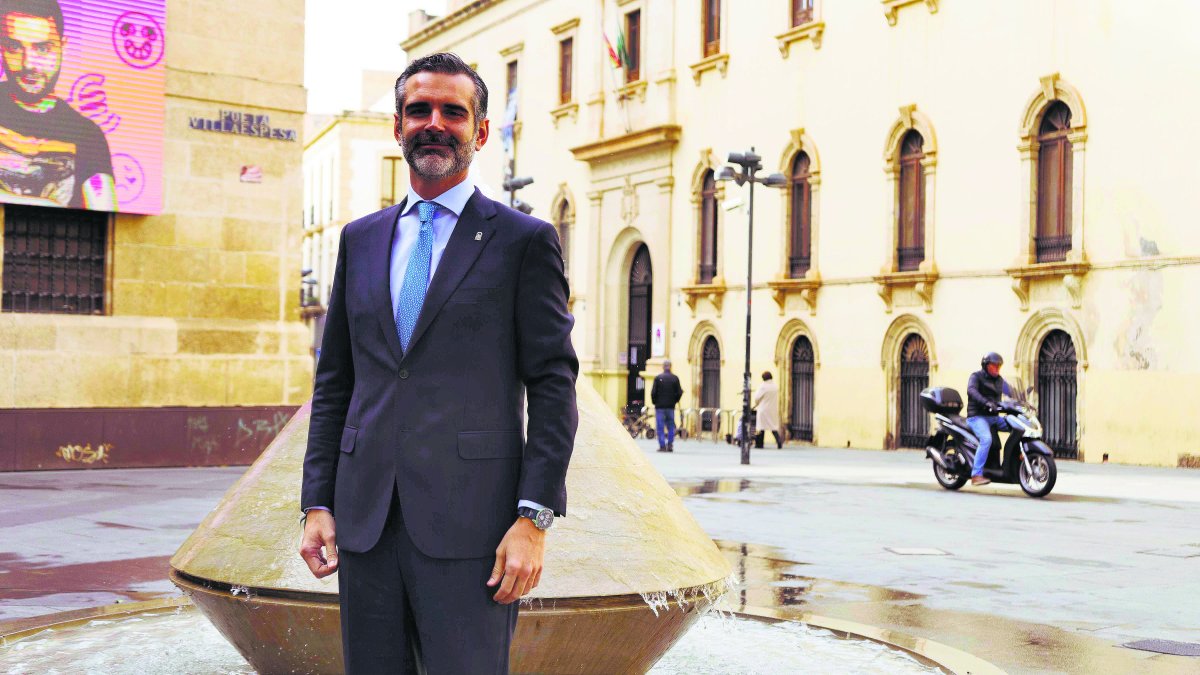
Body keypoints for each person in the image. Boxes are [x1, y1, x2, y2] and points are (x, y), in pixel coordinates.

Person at [298, 53, 578, 674]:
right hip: (365, 524)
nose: (435, 123)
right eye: (419, 109)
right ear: (397, 126)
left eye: (454, 111)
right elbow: (338, 381)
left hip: (474, 530)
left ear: (479, 132)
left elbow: (554, 385)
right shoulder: (360, 239)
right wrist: (317, 500)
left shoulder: (522, 241)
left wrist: (533, 518)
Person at [0, 0, 116, 210]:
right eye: (14, 47)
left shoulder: (87, 134)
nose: (28, 63)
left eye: (43, 48)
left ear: (63, 47)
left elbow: (103, 211)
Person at [966, 352, 1013, 486]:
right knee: (986, 439)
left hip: (993, 417)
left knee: (1017, 427)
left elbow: (1010, 392)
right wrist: (986, 402)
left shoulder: (999, 380)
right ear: (986, 365)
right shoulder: (976, 377)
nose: (997, 368)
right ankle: (976, 475)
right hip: (977, 417)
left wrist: (1021, 399)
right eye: (994, 365)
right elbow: (971, 391)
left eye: (999, 366)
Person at [649, 360, 683, 452]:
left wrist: (655, 402)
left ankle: (662, 445)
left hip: (660, 407)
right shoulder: (675, 378)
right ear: (670, 366)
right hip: (670, 406)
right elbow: (679, 392)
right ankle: (670, 444)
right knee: (671, 425)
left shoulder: (658, 378)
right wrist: (675, 401)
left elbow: (653, 393)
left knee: (660, 426)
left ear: (663, 367)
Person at [753, 371, 784, 449]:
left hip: (763, 409)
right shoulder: (775, 386)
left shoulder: (763, 386)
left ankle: (759, 444)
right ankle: (779, 441)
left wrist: (757, 403)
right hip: (772, 409)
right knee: (773, 427)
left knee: (761, 427)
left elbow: (757, 398)